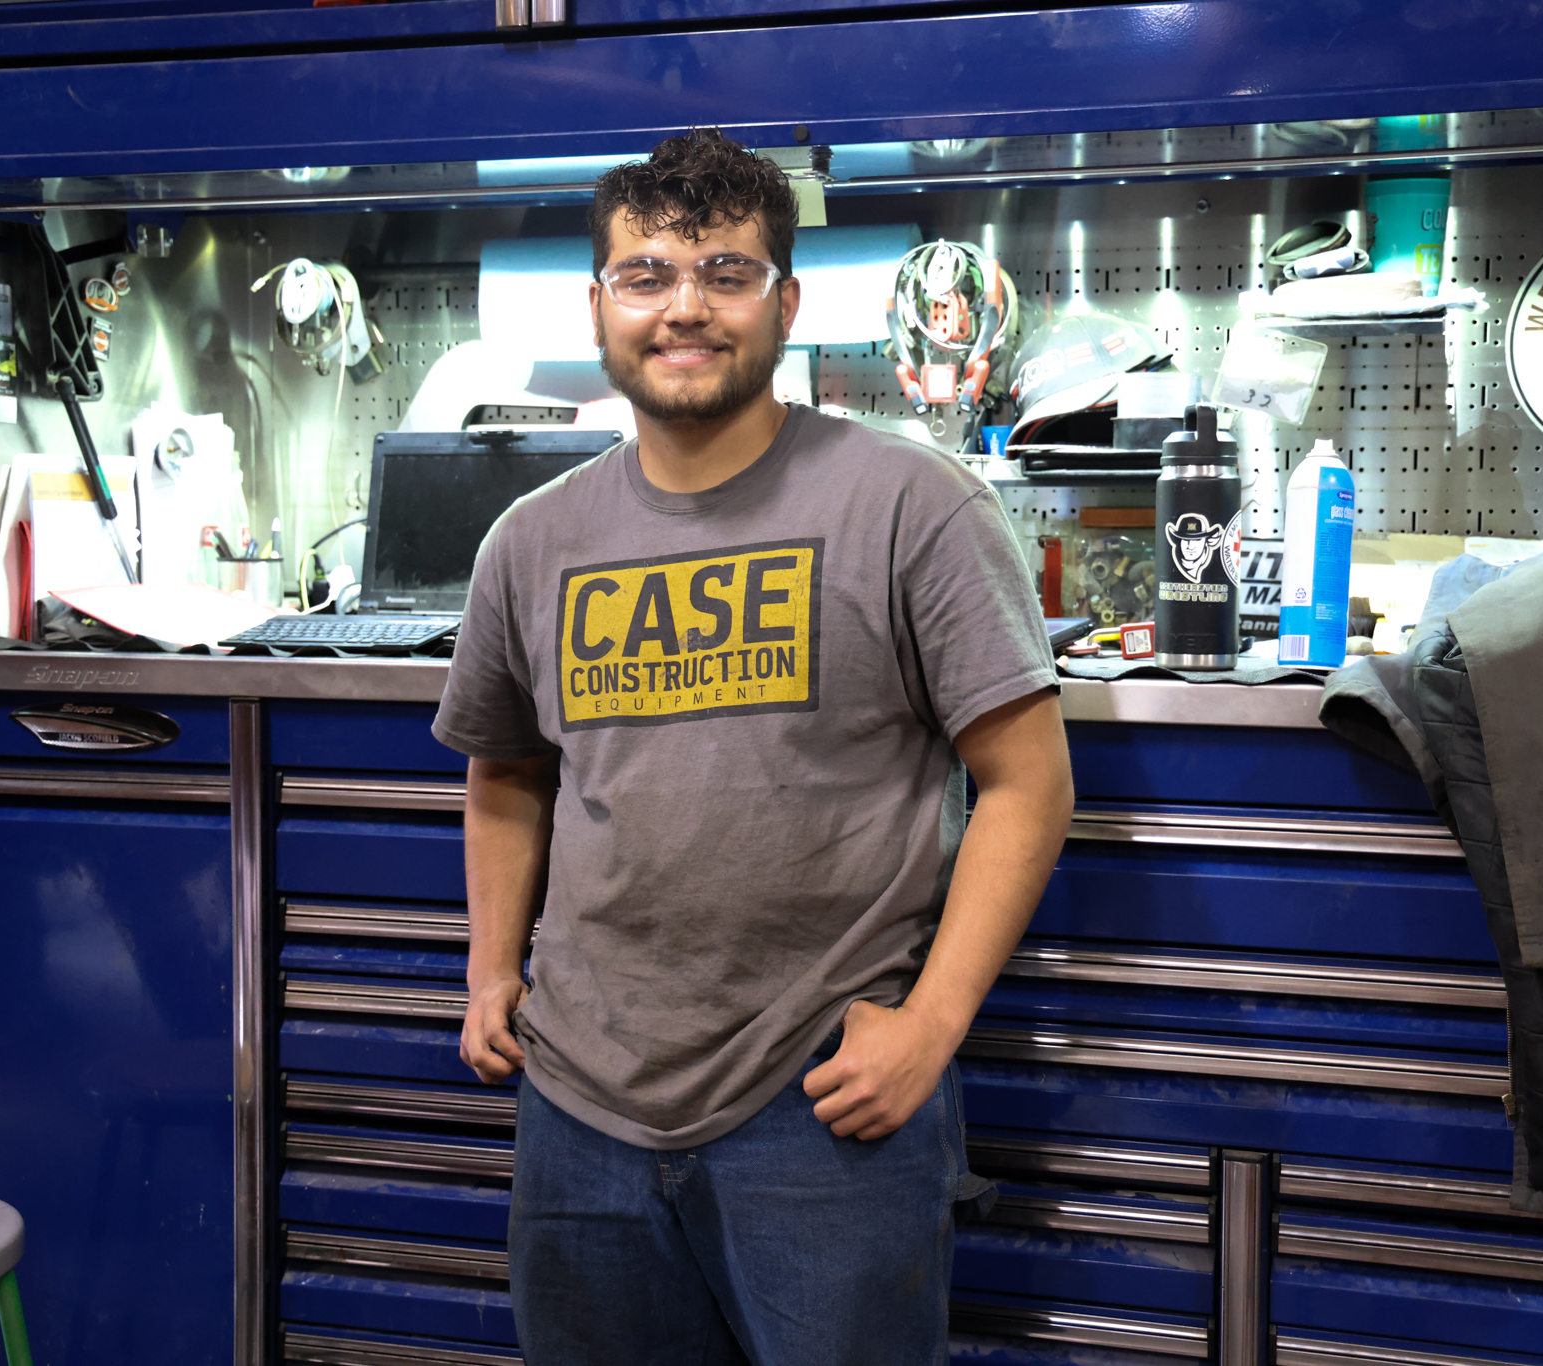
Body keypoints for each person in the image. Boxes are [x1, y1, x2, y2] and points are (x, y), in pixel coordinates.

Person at [432, 128, 1074, 1365]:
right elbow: (507, 773)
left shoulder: (910, 504)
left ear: (785, 301)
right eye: (649, 274)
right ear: (599, 304)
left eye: (726, 273)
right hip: (578, 1100)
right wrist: (487, 970)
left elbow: (1025, 784)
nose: (686, 308)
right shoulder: (530, 538)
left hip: (820, 1098)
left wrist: (929, 1025)